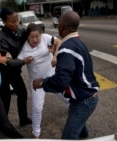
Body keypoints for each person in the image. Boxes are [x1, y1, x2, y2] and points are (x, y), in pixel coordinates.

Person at [33, 11, 99, 139]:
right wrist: (55, 55)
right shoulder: (77, 42)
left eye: (58, 23)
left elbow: (61, 82)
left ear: (61, 26)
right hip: (86, 97)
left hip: (83, 101)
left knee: (68, 137)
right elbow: (72, 69)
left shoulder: (67, 48)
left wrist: (42, 82)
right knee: (79, 129)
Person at [17, 23, 64, 138]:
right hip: (37, 82)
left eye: (37, 36)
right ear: (27, 37)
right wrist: (24, 61)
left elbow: (59, 42)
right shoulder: (24, 48)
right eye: (32, 37)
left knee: (68, 98)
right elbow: (17, 63)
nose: (35, 39)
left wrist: (55, 55)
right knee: (37, 108)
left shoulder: (45, 38)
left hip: (52, 77)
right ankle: (36, 134)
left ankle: (75, 116)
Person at [0, 7, 32, 126]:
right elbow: (7, 62)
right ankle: (3, 124)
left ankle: (23, 119)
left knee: (23, 94)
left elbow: (31, 34)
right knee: (6, 100)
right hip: (4, 73)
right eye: (12, 21)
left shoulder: (20, 31)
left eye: (17, 20)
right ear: (4, 22)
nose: (16, 23)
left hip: (15, 73)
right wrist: (23, 61)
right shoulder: (0, 38)